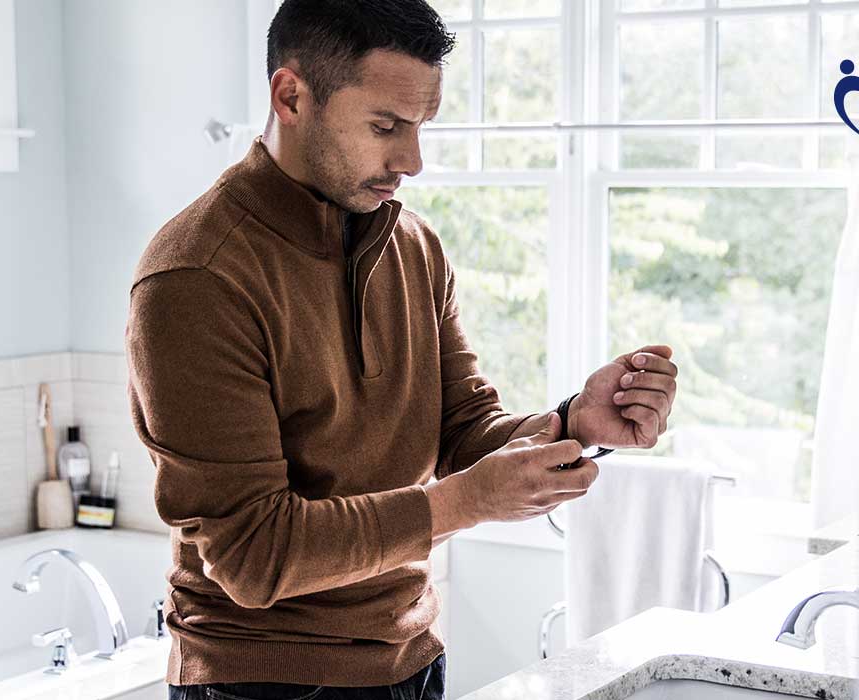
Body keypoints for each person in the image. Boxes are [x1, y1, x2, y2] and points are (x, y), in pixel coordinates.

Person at [125, 1, 678, 698]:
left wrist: (571, 423)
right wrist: (461, 504)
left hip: (411, 662)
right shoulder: (196, 278)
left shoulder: (413, 246)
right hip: (261, 683)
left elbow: (462, 428)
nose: (412, 160)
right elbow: (254, 556)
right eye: (385, 126)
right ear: (290, 96)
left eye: (420, 127)